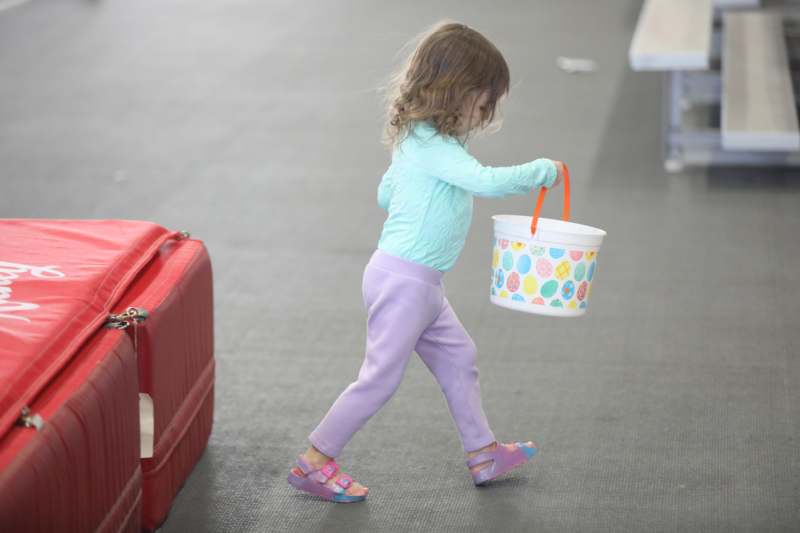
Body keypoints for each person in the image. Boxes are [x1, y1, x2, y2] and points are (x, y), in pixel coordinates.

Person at [287, 20, 565, 503]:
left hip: (420, 283)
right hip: (405, 283)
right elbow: (485, 181)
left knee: (460, 357)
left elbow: (385, 192)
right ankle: (313, 461)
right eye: (483, 102)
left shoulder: (419, 142)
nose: (486, 113)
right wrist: (541, 171)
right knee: (378, 379)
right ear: (456, 93)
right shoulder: (434, 148)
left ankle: (483, 452)